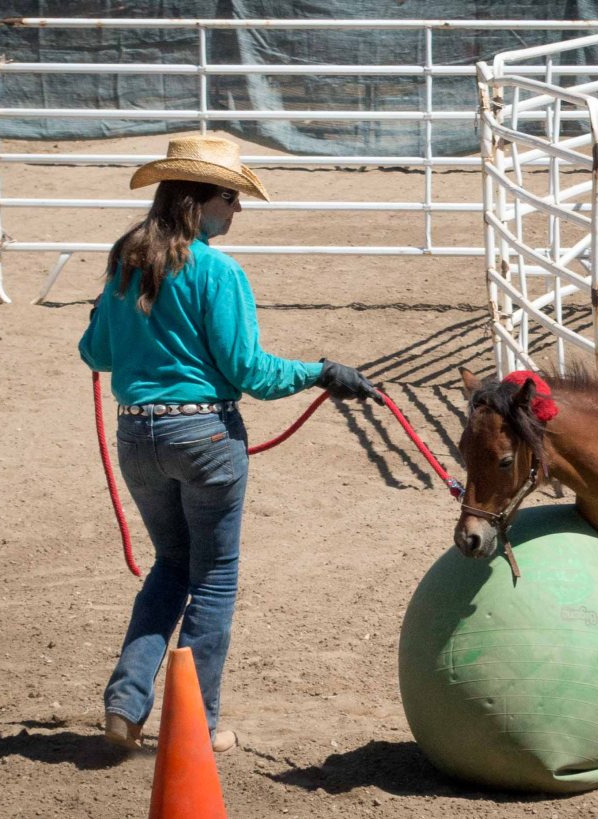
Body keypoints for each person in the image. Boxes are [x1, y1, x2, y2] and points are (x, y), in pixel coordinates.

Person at [79, 135, 381, 754]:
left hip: (138, 434)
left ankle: (126, 702)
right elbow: (250, 372)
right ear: (200, 199)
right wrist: (321, 370)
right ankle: (196, 726)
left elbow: (97, 352)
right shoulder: (219, 271)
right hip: (206, 435)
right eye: (232, 196)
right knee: (214, 579)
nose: (238, 209)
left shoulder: (126, 259)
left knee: (170, 566)